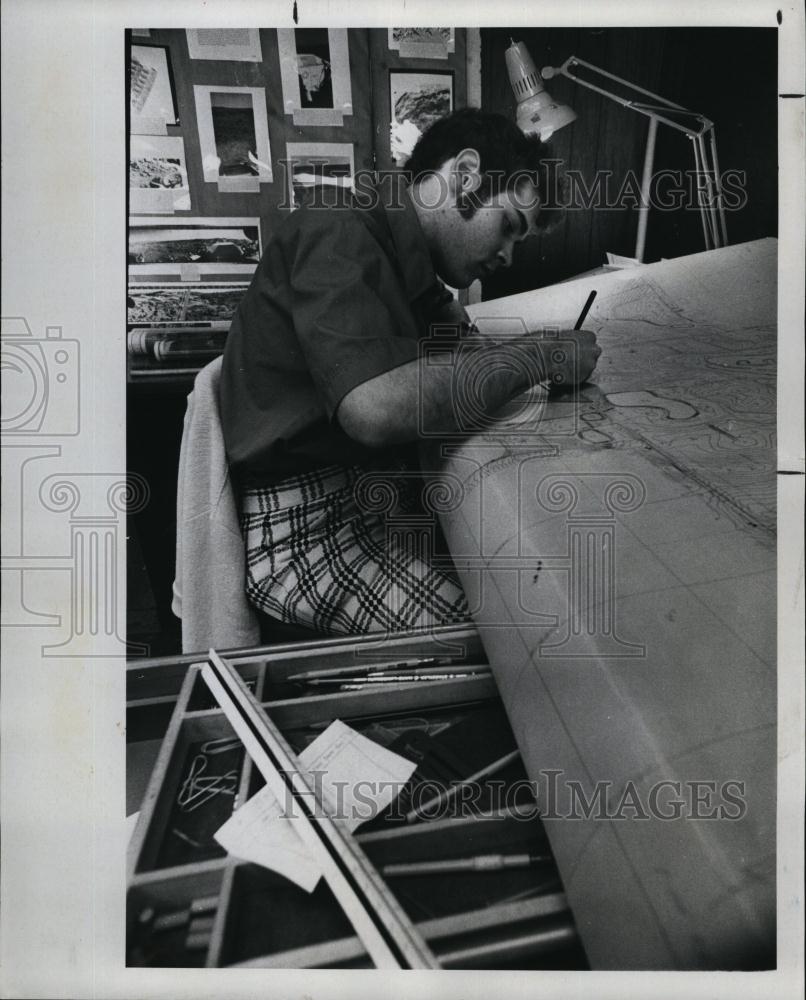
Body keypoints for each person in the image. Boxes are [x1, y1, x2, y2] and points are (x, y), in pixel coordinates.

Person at [219, 109, 600, 636]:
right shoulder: (338, 228)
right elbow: (373, 410)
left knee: (534, 579)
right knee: (521, 628)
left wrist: (491, 350)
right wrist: (539, 355)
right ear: (465, 175)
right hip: (305, 537)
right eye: (508, 226)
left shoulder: (410, 264)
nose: (509, 256)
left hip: (374, 502)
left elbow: (467, 360)